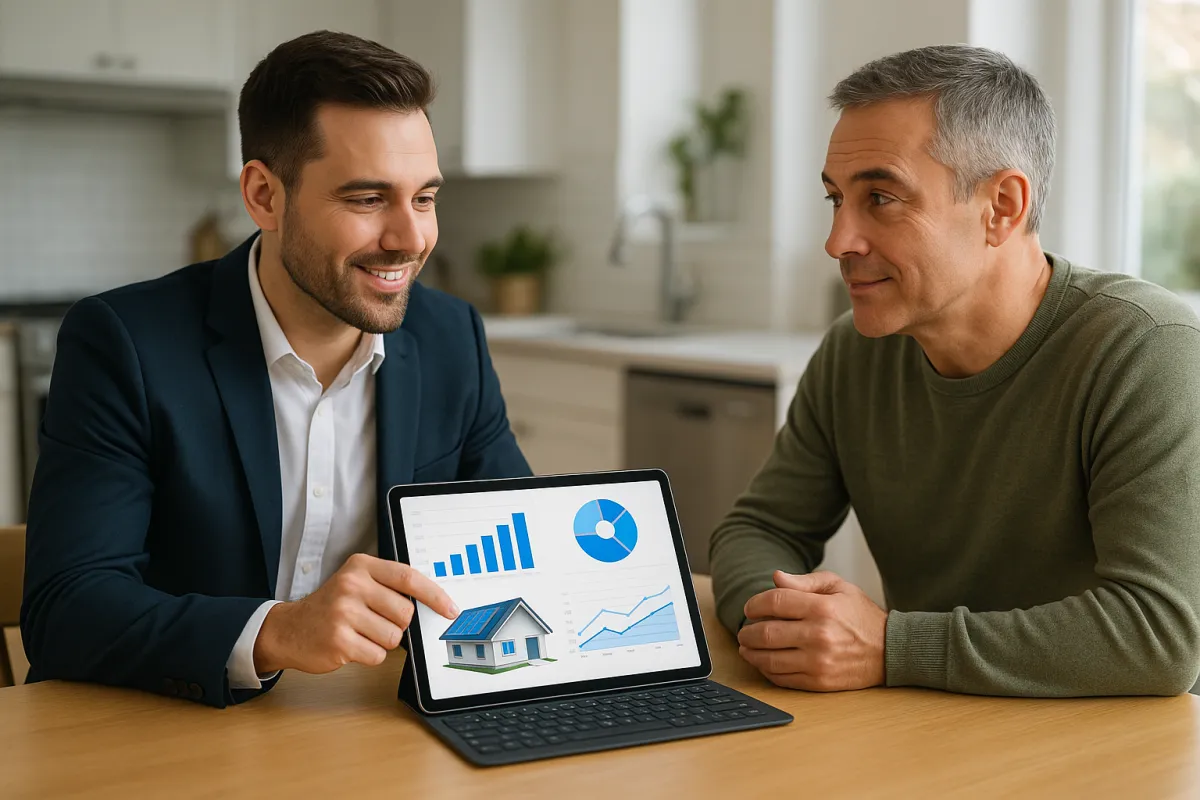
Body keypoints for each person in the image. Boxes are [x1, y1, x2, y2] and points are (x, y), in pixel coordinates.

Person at [20, 31, 531, 707]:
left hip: (371, 729)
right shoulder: (125, 343)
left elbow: (526, 551)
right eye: (367, 199)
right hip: (170, 728)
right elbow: (66, 609)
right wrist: (278, 632)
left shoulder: (450, 337)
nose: (411, 240)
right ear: (264, 195)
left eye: (425, 198)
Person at [711, 44, 1200, 697]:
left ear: (1002, 207)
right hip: (936, 728)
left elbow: (1159, 636)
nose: (838, 242)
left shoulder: (1145, 350)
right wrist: (784, 626)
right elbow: (759, 530)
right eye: (836, 200)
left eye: (880, 198)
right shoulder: (854, 353)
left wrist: (891, 646)